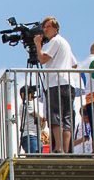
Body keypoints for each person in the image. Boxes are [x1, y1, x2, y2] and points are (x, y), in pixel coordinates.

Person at [33, 17, 78, 152]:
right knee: (67, 118)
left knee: (55, 116)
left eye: (47, 26)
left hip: (55, 84)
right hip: (68, 83)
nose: (45, 29)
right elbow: (74, 64)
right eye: (44, 27)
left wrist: (38, 44)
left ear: (56, 28)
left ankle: (58, 148)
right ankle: (65, 149)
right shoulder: (65, 42)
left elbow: (42, 59)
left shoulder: (55, 41)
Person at [15, 83, 47, 154]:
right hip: (30, 136)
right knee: (34, 158)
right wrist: (43, 119)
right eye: (30, 92)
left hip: (36, 136)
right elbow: (36, 115)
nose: (32, 94)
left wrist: (42, 121)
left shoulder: (31, 104)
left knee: (37, 159)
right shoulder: (26, 103)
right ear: (23, 94)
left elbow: (42, 125)